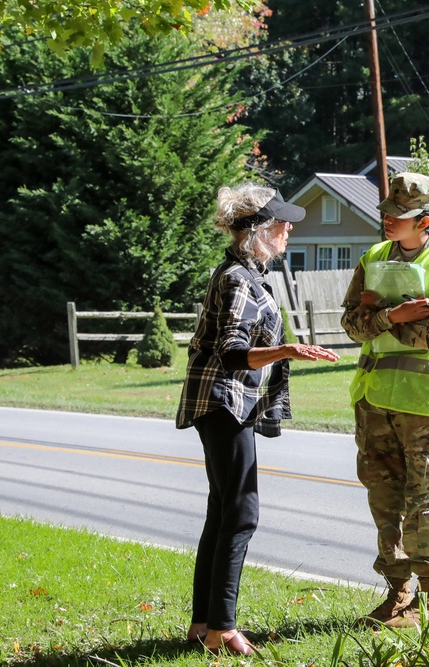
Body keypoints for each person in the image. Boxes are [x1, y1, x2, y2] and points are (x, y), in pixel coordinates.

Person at [176, 183, 339, 656]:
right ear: (258, 231)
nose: (290, 227)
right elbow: (230, 353)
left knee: (222, 511)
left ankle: (204, 622)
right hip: (224, 404)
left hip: (227, 405)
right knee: (241, 514)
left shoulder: (246, 273)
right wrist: (288, 350)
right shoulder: (237, 279)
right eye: (282, 222)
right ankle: (221, 629)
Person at [340, 172, 429, 628]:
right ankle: (398, 596)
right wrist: (394, 315)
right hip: (375, 400)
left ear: (426, 222)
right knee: (385, 501)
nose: (387, 221)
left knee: (427, 505)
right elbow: (350, 325)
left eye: (398, 216)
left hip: (427, 405)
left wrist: (375, 316)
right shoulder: (373, 257)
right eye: (386, 212)